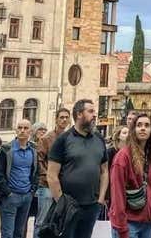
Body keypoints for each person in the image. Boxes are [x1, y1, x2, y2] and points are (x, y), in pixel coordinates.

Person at [47, 99, 108, 238]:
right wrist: (61, 202)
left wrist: (100, 199)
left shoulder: (99, 139)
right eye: (91, 111)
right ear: (79, 114)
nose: (95, 115)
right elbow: (51, 175)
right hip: (69, 207)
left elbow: (104, 171)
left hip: (92, 206)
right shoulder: (63, 140)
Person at [109, 113, 151, 238]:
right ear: (133, 130)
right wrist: (121, 227)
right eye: (139, 125)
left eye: (147, 125)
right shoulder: (123, 157)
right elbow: (117, 194)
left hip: (148, 222)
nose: (143, 128)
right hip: (128, 223)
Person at [0, 119, 38, 238]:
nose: (22, 131)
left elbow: (36, 171)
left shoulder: (34, 150)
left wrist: (32, 190)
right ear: (15, 130)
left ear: (31, 132)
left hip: (26, 196)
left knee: (20, 232)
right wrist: (7, 193)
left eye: (25, 128)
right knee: (7, 233)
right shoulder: (6, 149)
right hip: (10, 197)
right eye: (19, 127)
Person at [34, 107, 70, 238]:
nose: (64, 120)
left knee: (59, 220)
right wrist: (47, 177)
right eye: (61, 117)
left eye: (66, 117)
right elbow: (39, 160)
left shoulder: (70, 137)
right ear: (56, 119)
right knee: (42, 221)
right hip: (47, 185)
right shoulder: (46, 138)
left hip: (64, 186)